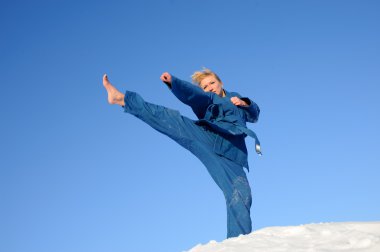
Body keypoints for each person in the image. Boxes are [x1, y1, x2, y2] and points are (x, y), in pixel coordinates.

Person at [102, 68, 261, 238]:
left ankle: (238, 243)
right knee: (172, 120)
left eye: (212, 83)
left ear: (220, 82)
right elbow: (193, 94)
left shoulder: (235, 97)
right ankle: (122, 99)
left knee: (241, 193)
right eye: (205, 86)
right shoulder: (208, 99)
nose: (210, 87)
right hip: (209, 139)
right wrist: (174, 82)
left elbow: (255, 114)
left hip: (233, 155)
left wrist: (245, 103)